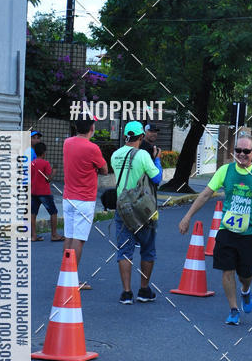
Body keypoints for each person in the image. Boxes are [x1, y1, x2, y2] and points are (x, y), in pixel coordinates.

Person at [179, 132, 252, 325]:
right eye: (238, 150)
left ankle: (245, 291)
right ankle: (233, 309)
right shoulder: (225, 170)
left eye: (245, 151)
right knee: (227, 270)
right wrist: (188, 216)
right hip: (226, 230)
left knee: (245, 274)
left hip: (250, 233)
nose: (241, 154)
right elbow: (206, 194)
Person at [110, 121, 162, 304]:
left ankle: (126, 292)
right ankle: (144, 289)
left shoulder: (115, 155)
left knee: (124, 250)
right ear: (141, 137)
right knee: (148, 250)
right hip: (143, 209)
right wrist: (156, 158)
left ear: (126, 136)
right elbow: (157, 178)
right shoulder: (143, 155)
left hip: (122, 208)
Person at [62, 115, 108, 289]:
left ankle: (65, 275)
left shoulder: (67, 143)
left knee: (69, 236)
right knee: (79, 240)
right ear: (92, 128)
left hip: (68, 197)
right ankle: (72, 279)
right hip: (85, 199)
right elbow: (104, 170)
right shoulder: (93, 148)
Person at [30, 142, 64, 242]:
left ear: (35, 152)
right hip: (44, 192)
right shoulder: (45, 163)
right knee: (53, 212)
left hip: (33, 191)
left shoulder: (31, 163)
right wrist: (54, 170)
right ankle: (54, 235)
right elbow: (48, 179)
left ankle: (34, 235)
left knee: (33, 213)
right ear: (44, 152)